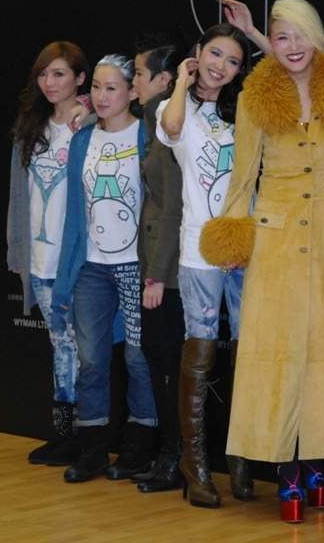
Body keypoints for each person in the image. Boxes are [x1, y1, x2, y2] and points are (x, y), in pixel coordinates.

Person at [200, 0, 324, 520]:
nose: (293, 46)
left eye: (300, 35)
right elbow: (243, 175)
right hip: (274, 243)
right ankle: (287, 470)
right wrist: (234, 236)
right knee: (276, 356)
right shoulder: (255, 95)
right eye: (281, 37)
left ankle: (320, 461)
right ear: (271, 43)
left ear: (316, 36)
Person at [155, 23, 253, 507]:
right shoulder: (175, 107)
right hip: (199, 249)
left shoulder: (244, 110)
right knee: (201, 348)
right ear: (198, 53)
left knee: (247, 352)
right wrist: (180, 81)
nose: (221, 66)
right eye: (215, 54)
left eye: (233, 61)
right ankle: (194, 466)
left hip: (246, 245)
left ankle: (242, 460)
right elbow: (173, 129)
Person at [51, 54, 158, 483]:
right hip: (92, 267)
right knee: (92, 360)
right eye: (95, 87)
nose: (101, 95)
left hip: (135, 265)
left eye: (111, 88)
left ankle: (139, 447)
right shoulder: (82, 141)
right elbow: (74, 215)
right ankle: (92, 448)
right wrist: (66, 276)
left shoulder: (148, 134)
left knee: (137, 359)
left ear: (132, 92)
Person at [7, 41, 89, 466]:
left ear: (80, 78)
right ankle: (63, 434)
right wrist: (17, 249)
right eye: (43, 74)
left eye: (59, 73)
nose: (49, 82)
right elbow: (17, 195)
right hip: (40, 260)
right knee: (61, 347)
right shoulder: (32, 127)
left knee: (80, 348)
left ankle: (86, 435)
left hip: (77, 261)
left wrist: (89, 111)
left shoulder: (90, 125)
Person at [126, 38, 184, 493]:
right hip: (162, 264)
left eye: (140, 75)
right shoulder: (152, 118)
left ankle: (174, 458)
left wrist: (156, 276)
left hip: (171, 272)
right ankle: (169, 454)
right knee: (159, 360)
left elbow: (170, 207)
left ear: (165, 80)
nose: (134, 84)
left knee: (168, 365)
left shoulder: (166, 124)